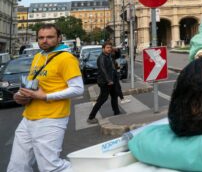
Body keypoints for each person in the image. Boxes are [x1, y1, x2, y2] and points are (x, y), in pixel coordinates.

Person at [8, 24, 84, 172]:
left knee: (50, 167)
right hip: (28, 117)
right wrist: (19, 96)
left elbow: (78, 89)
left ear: (59, 38)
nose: (45, 41)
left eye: (50, 37)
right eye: (41, 37)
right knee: (17, 166)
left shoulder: (66, 58)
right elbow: (33, 85)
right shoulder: (38, 57)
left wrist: (45, 96)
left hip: (51, 118)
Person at [87, 41, 121, 123]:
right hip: (105, 82)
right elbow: (103, 70)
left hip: (112, 80)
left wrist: (117, 50)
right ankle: (91, 117)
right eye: (107, 48)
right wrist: (108, 80)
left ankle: (117, 112)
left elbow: (118, 56)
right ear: (103, 49)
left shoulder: (109, 56)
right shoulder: (101, 58)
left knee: (114, 95)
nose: (109, 49)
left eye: (110, 47)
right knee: (102, 99)